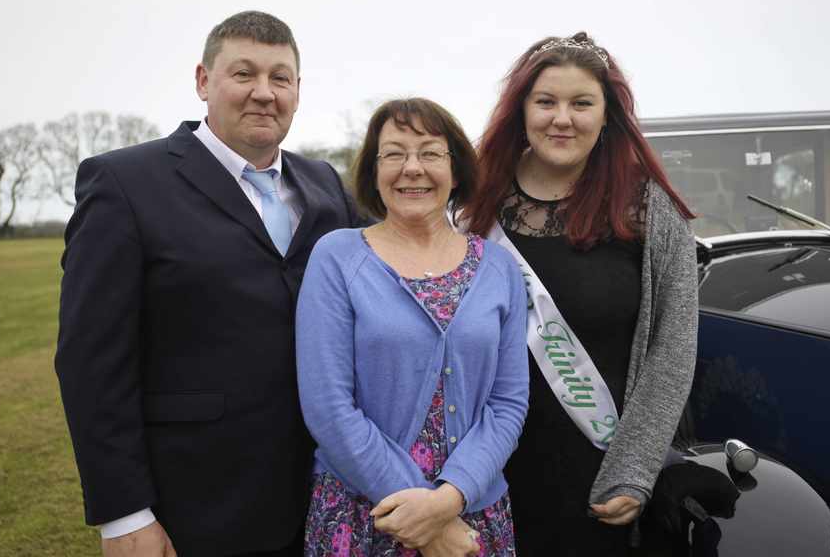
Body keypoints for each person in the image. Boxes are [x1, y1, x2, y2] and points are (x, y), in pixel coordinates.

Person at [55, 10, 367, 557]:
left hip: (326, 501)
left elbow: (406, 249)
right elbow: (91, 361)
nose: (264, 93)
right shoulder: (124, 182)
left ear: (297, 91)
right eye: (244, 74)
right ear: (203, 81)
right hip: (195, 506)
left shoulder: (324, 184)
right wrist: (122, 513)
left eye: (280, 78)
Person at [461, 33, 699, 555]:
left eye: (581, 103)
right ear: (521, 110)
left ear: (607, 114)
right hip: (480, 470)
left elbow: (673, 349)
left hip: (601, 469)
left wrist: (633, 470)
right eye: (545, 101)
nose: (561, 118)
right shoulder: (472, 206)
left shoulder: (649, 210)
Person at [295, 98, 529, 556]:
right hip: (365, 514)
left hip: (473, 513)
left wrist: (449, 499)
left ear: (456, 169)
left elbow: (508, 403)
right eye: (395, 153)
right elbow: (327, 404)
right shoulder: (337, 257)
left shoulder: (499, 268)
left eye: (429, 153)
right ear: (374, 171)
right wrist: (428, 521)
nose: (412, 168)